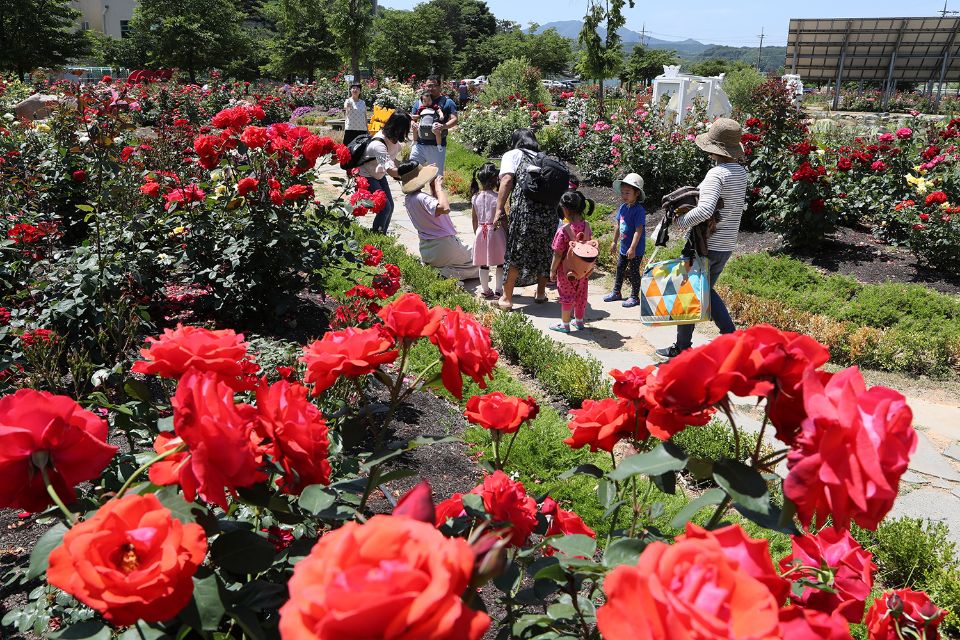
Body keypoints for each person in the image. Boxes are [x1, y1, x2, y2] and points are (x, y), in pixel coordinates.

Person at [656, 118, 748, 360]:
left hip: (704, 245)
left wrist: (679, 223)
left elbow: (706, 210)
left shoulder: (717, 174)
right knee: (697, 292)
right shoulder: (741, 173)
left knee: (700, 292)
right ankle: (684, 346)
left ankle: (729, 339)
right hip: (725, 244)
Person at [495, 128, 555, 311]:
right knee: (544, 251)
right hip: (549, 213)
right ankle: (541, 293)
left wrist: (499, 209)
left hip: (524, 212)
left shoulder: (512, 154)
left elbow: (506, 180)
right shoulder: (543, 157)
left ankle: (506, 298)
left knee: (516, 251)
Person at [400, 161, 477, 280]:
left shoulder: (409, 199)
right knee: (480, 262)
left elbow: (434, 209)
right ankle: (444, 273)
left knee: (466, 261)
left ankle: (439, 270)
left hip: (427, 249)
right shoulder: (422, 197)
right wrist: (439, 187)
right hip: (444, 246)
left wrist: (432, 186)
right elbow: (445, 208)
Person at [359, 111, 412, 234]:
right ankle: (377, 236)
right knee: (384, 207)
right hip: (366, 176)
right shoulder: (378, 145)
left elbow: (394, 162)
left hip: (378, 174)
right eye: (405, 129)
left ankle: (381, 234)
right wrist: (408, 173)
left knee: (390, 206)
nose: (406, 133)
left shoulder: (393, 140)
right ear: (397, 128)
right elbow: (392, 171)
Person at [550, 190, 595, 333]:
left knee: (566, 296)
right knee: (581, 295)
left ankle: (565, 324)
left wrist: (552, 270)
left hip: (566, 271)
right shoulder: (587, 226)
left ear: (565, 209)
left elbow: (558, 253)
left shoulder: (564, 230)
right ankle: (579, 321)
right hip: (584, 271)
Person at [605, 173, 646, 308]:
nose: (624, 195)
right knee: (620, 268)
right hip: (624, 247)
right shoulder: (623, 207)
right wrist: (614, 242)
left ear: (637, 194)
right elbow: (618, 225)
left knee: (633, 271)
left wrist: (633, 248)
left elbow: (638, 231)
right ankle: (616, 292)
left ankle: (634, 297)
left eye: (628, 193)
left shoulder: (639, 210)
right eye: (622, 192)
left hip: (635, 249)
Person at [470, 163, 506, 299]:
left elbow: (474, 219)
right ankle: (498, 290)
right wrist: (507, 233)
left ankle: (485, 290)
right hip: (496, 232)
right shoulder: (498, 198)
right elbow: (503, 218)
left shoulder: (475, 197)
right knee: (500, 262)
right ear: (495, 179)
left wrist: (477, 233)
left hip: (481, 231)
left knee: (483, 263)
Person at [410, 75, 458, 176]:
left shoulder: (447, 102)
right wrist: (413, 124)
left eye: (433, 86)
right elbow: (413, 119)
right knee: (411, 173)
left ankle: (435, 192)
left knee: (436, 178)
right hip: (419, 145)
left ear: (440, 86)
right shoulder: (419, 102)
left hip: (436, 147)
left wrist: (443, 126)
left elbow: (454, 119)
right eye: (428, 86)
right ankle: (414, 192)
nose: (430, 88)